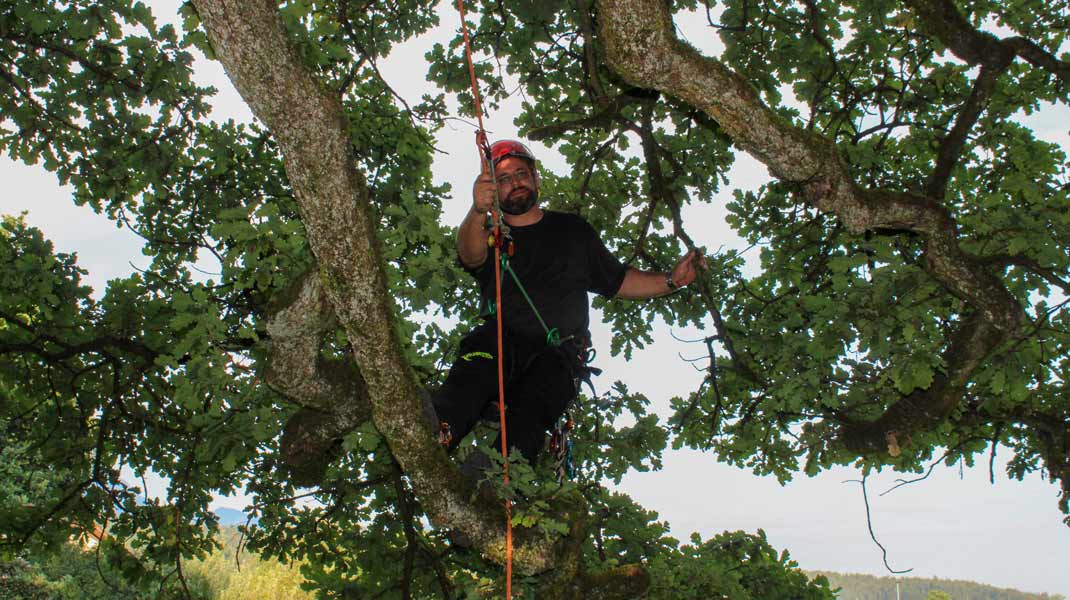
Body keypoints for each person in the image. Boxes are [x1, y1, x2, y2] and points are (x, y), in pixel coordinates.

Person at [431, 139, 703, 469]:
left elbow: (617, 281)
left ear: (536, 179)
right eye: (502, 179)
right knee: (474, 371)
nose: (515, 182)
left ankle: (498, 479)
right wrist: (477, 210)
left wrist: (671, 280)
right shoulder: (492, 235)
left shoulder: (573, 232)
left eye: (521, 173)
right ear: (492, 191)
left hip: (559, 352)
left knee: (534, 411)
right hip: (502, 340)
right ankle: (438, 428)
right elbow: (470, 254)